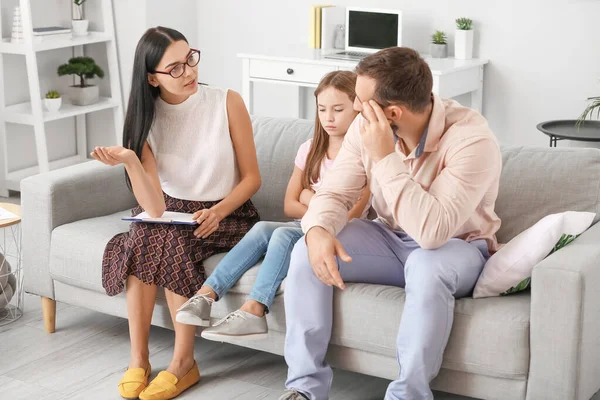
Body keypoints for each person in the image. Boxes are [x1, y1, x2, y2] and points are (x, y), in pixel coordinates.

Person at [279, 47, 502, 400]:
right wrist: (318, 229)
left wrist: (384, 157)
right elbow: (335, 194)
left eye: (361, 102)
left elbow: (432, 232)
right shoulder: (365, 127)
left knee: (426, 265)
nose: (354, 108)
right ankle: (303, 389)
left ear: (393, 112)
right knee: (306, 251)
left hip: (456, 247)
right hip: (387, 238)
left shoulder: (472, 140)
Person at [93, 27, 261, 400]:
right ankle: (139, 359)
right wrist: (132, 161)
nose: (188, 72)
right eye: (175, 68)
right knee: (145, 235)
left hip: (228, 211)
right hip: (170, 210)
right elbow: (154, 207)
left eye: (190, 60)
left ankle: (184, 362)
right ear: (151, 77)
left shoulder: (226, 102)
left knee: (162, 239)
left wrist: (218, 210)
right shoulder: (145, 120)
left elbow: (252, 179)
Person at [175, 70, 371, 341]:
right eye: (322, 109)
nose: (328, 117)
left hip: (341, 235)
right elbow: (289, 205)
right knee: (262, 229)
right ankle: (205, 296)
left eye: (338, 109)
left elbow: (352, 214)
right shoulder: (310, 148)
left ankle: (255, 309)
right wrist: (313, 202)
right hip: (305, 225)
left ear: (358, 109)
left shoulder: (367, 154)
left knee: (280, 234)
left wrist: (309, 196)